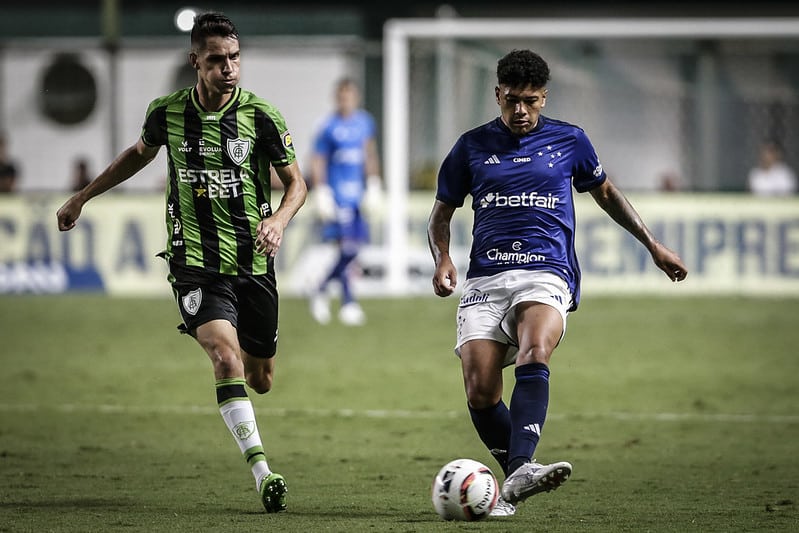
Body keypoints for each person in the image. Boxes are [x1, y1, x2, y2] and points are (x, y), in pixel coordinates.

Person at [56, 12, 307, 514]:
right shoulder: (167, 113)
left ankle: (251, 397)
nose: (229, 69)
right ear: (196, 61)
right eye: (217, 60)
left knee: (261, 378)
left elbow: (297, 184)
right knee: (224, 357)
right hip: (194, 263)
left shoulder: (262, 117)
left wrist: (278, 219)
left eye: (235, 58)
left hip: (253, 265)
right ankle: (263, 472)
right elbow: (136, 155)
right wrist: (82, 197)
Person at [427, 49, 688, 518]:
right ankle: (512, 481)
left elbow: (606, 194)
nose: (520, 111)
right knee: (480, 391)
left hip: (547, 272)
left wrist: (653, 246)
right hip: (487, 277)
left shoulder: (570, 141)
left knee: (534, 348)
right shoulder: (470, 147)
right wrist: (443, 256)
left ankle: (523, 466)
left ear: (544, 97)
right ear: (497, 95)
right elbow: (440, 214)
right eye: (511, 101)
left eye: (529, 101)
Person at [308, 78, 382, 326]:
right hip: (338, 197)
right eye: (341, 96)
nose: (345, 101)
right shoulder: (328, 127)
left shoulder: (364, 123)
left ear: (356, 97)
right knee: (347, 248)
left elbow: (369, 153)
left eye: (349, 96)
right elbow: (318, 160)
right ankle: (348, 303)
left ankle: (321, 288)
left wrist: (373, 183)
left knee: (355, 248)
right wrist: (322, 191)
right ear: (336, 98)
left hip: (358, 197)